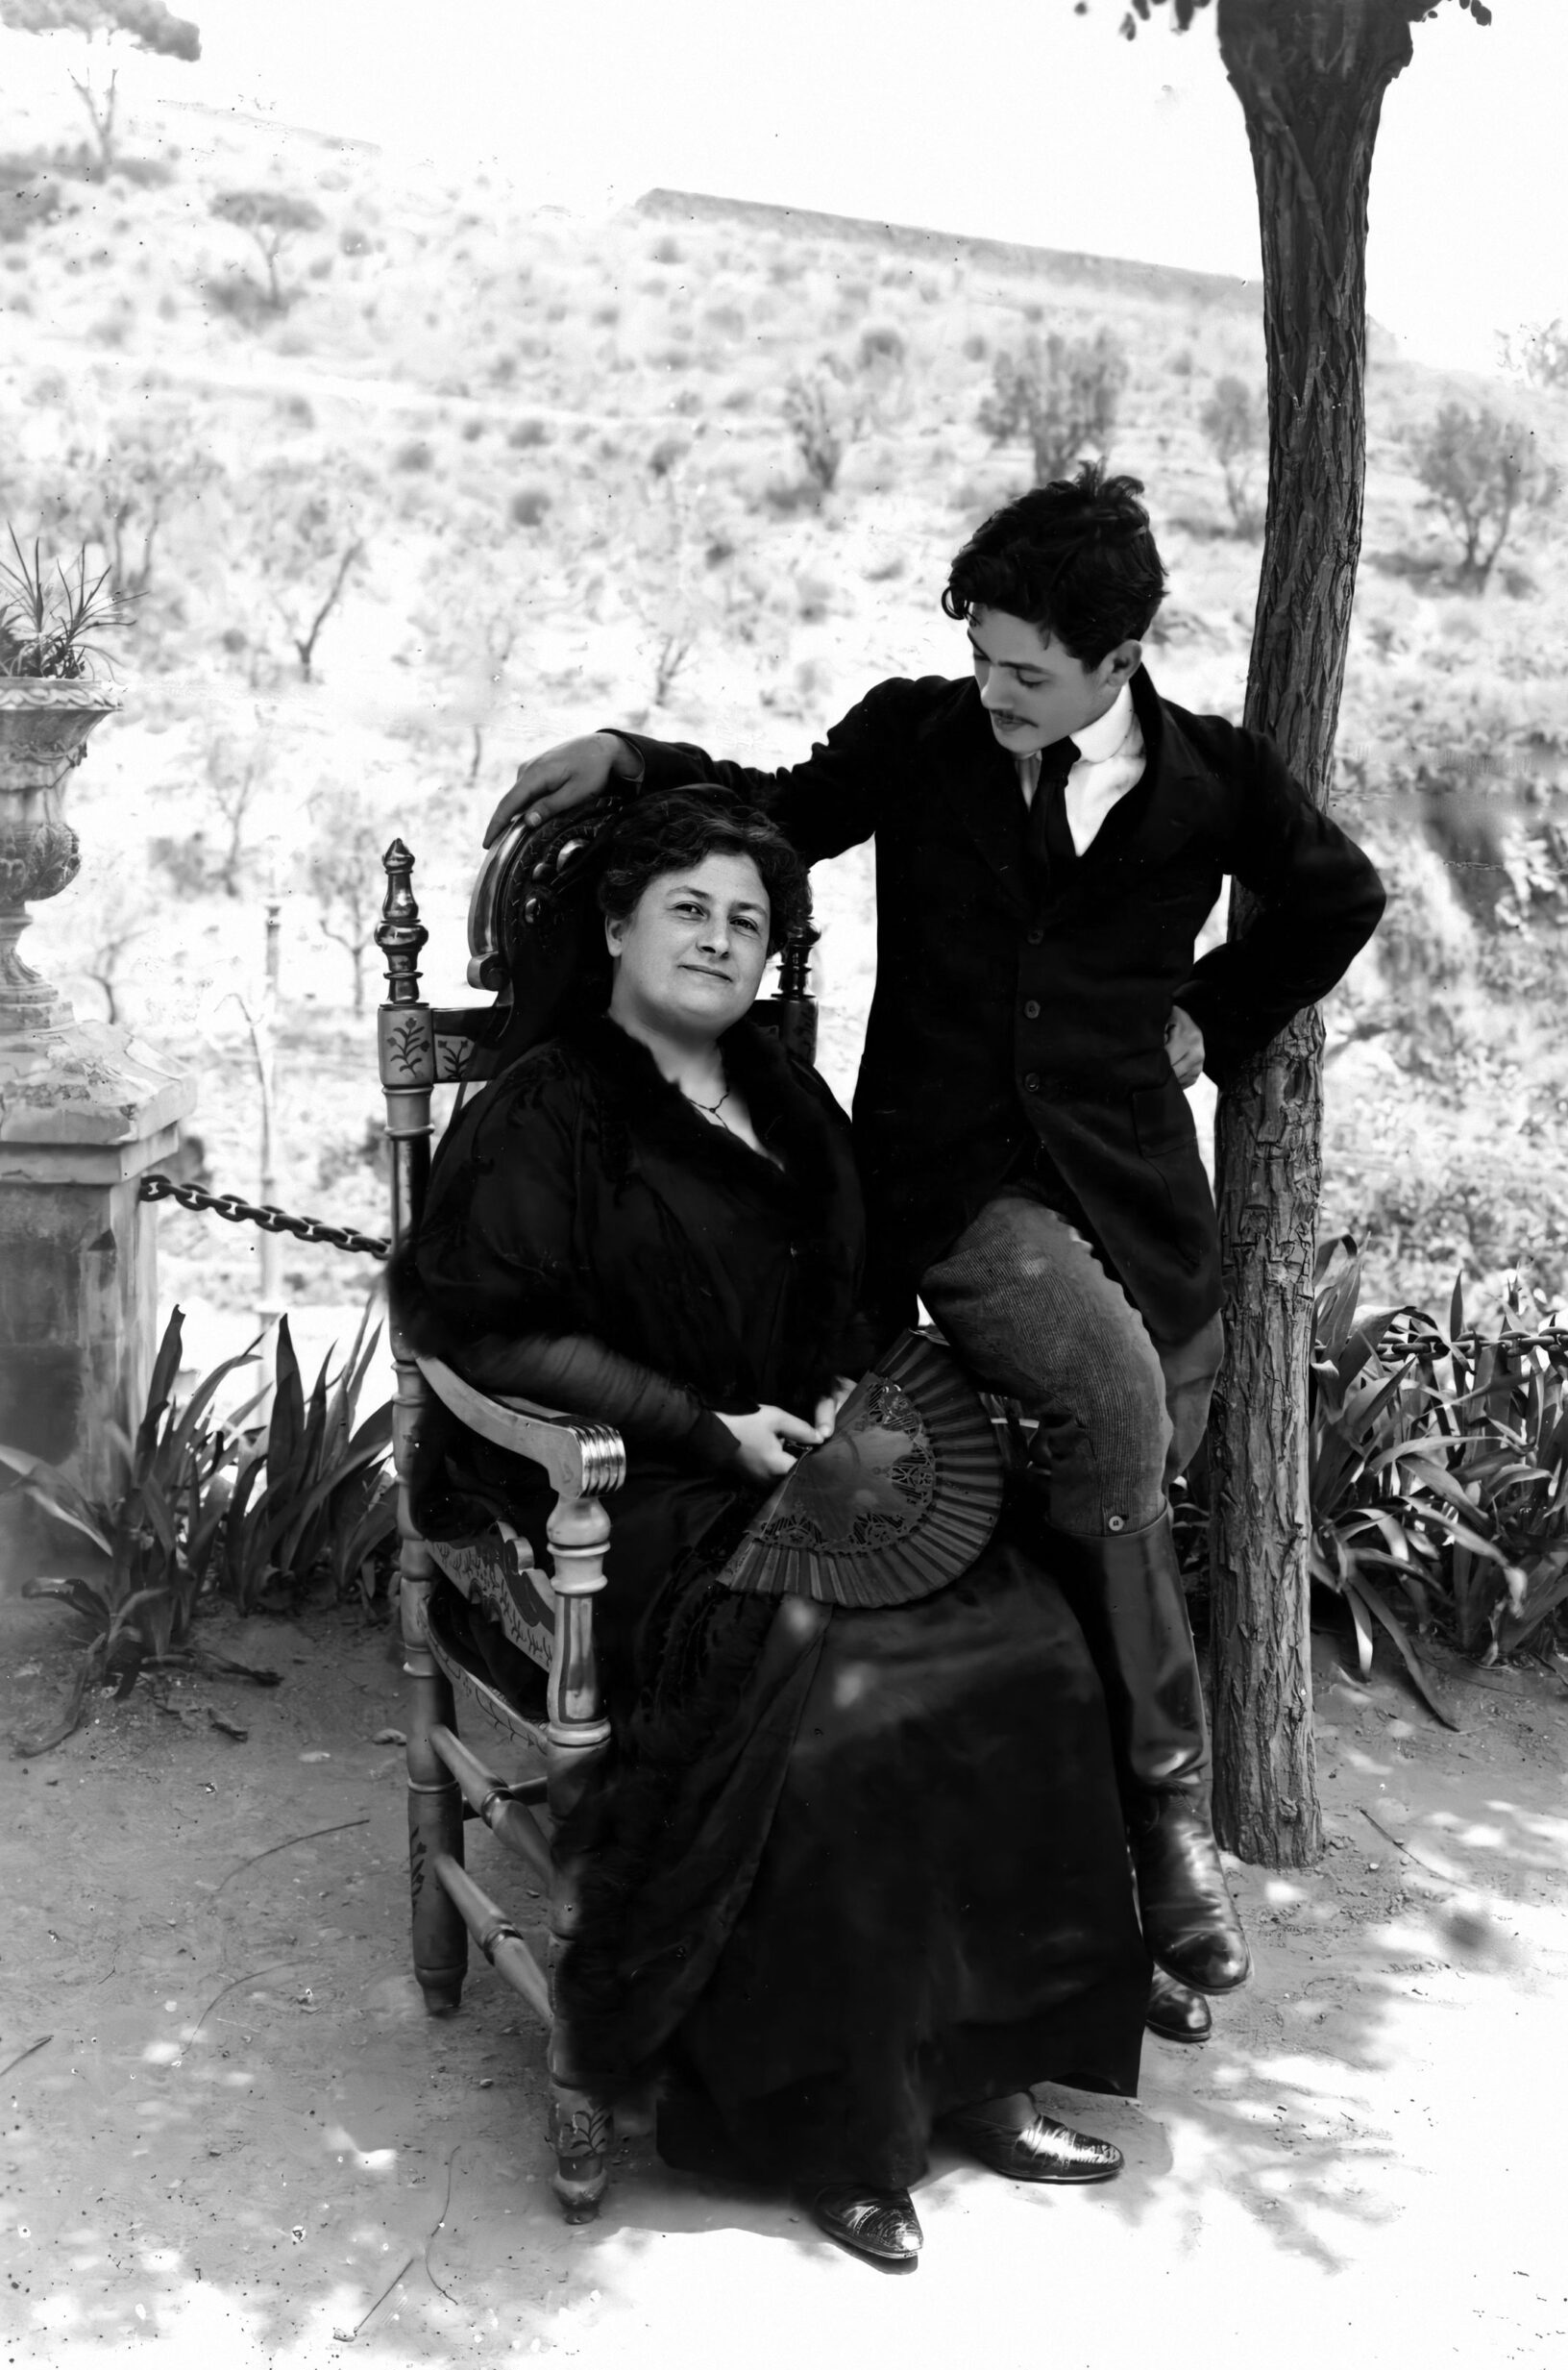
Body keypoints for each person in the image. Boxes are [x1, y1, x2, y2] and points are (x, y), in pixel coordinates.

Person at [486, 464, 1387, 2048]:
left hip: (1132, 1197)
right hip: (949, 1185)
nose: (992, 691)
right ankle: (1170, 1820)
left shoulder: (1212, 781)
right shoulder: (923, 734)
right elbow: (769, 810)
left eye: (1025, 670)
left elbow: (1340, 896)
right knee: (1114, 1404)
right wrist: (634, 757)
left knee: (1098, 1495)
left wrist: (1212, 1015)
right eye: (980, 657)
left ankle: (1075, 1914)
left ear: (1119, 659)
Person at [396, 788, 1150, 2267]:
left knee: (1025, 1641)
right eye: (688, 909)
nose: (720, 941)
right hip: (610, 1486)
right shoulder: (546, 1106)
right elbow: (487, 1333)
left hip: (793, 1459)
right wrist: (707, 1425)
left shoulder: (788, 1098)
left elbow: (859, 1300)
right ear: (617, 927)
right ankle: (836, 2124)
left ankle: (981, 2069)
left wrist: (849, 1396)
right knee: (843, 1694)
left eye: (747, 922)